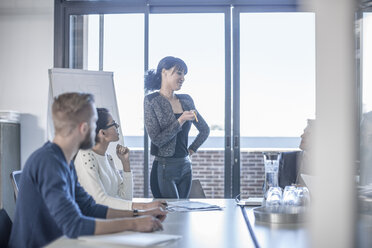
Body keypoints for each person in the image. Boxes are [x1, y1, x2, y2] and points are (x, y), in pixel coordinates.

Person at [8, 93, 166, 248]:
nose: (97, 129)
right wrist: (134, 223)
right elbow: (74, 225)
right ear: (84, 128)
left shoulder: (65, 160)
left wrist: (140, 214)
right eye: (94, 122)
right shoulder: (48, 162)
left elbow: (89, 207)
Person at [144, 56, 210, 199]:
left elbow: (205, 130)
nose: (183, 78)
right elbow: (157, 140)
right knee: (171, 215)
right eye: (179, 73)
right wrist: (180, 121)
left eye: (184, 74)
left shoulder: (186, 100)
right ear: (164, 72)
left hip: (186, 166)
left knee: (183, 214)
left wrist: (192, 149)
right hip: (164, 167)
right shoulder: (152, 101)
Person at [74, 108, 165, 210]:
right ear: (102, 133)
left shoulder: (108, 158)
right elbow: (99, 200)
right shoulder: (85, 156)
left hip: (112, 218)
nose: (117, 127)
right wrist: (144, 206)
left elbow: (126, 197)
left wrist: (125, 162)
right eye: (113, 124)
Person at [278, 119, 315, 188]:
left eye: (308, 134)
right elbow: (270, 186)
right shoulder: (287, 158)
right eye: (304, 132)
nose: (302, 136)